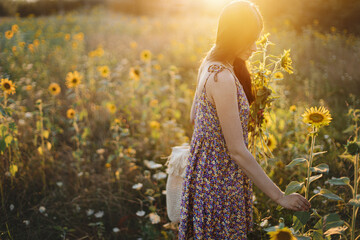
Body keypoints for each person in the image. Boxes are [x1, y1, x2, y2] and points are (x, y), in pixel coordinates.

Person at [178, 0, 311, 239]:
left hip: (202, 175)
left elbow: (193, 117)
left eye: (257, 37)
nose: (255, 46)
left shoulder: (209, 63)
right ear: (234, 36)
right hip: (219, 182)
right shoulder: (224, 78)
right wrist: (279, 196)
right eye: (249, 38)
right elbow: (236, 150)